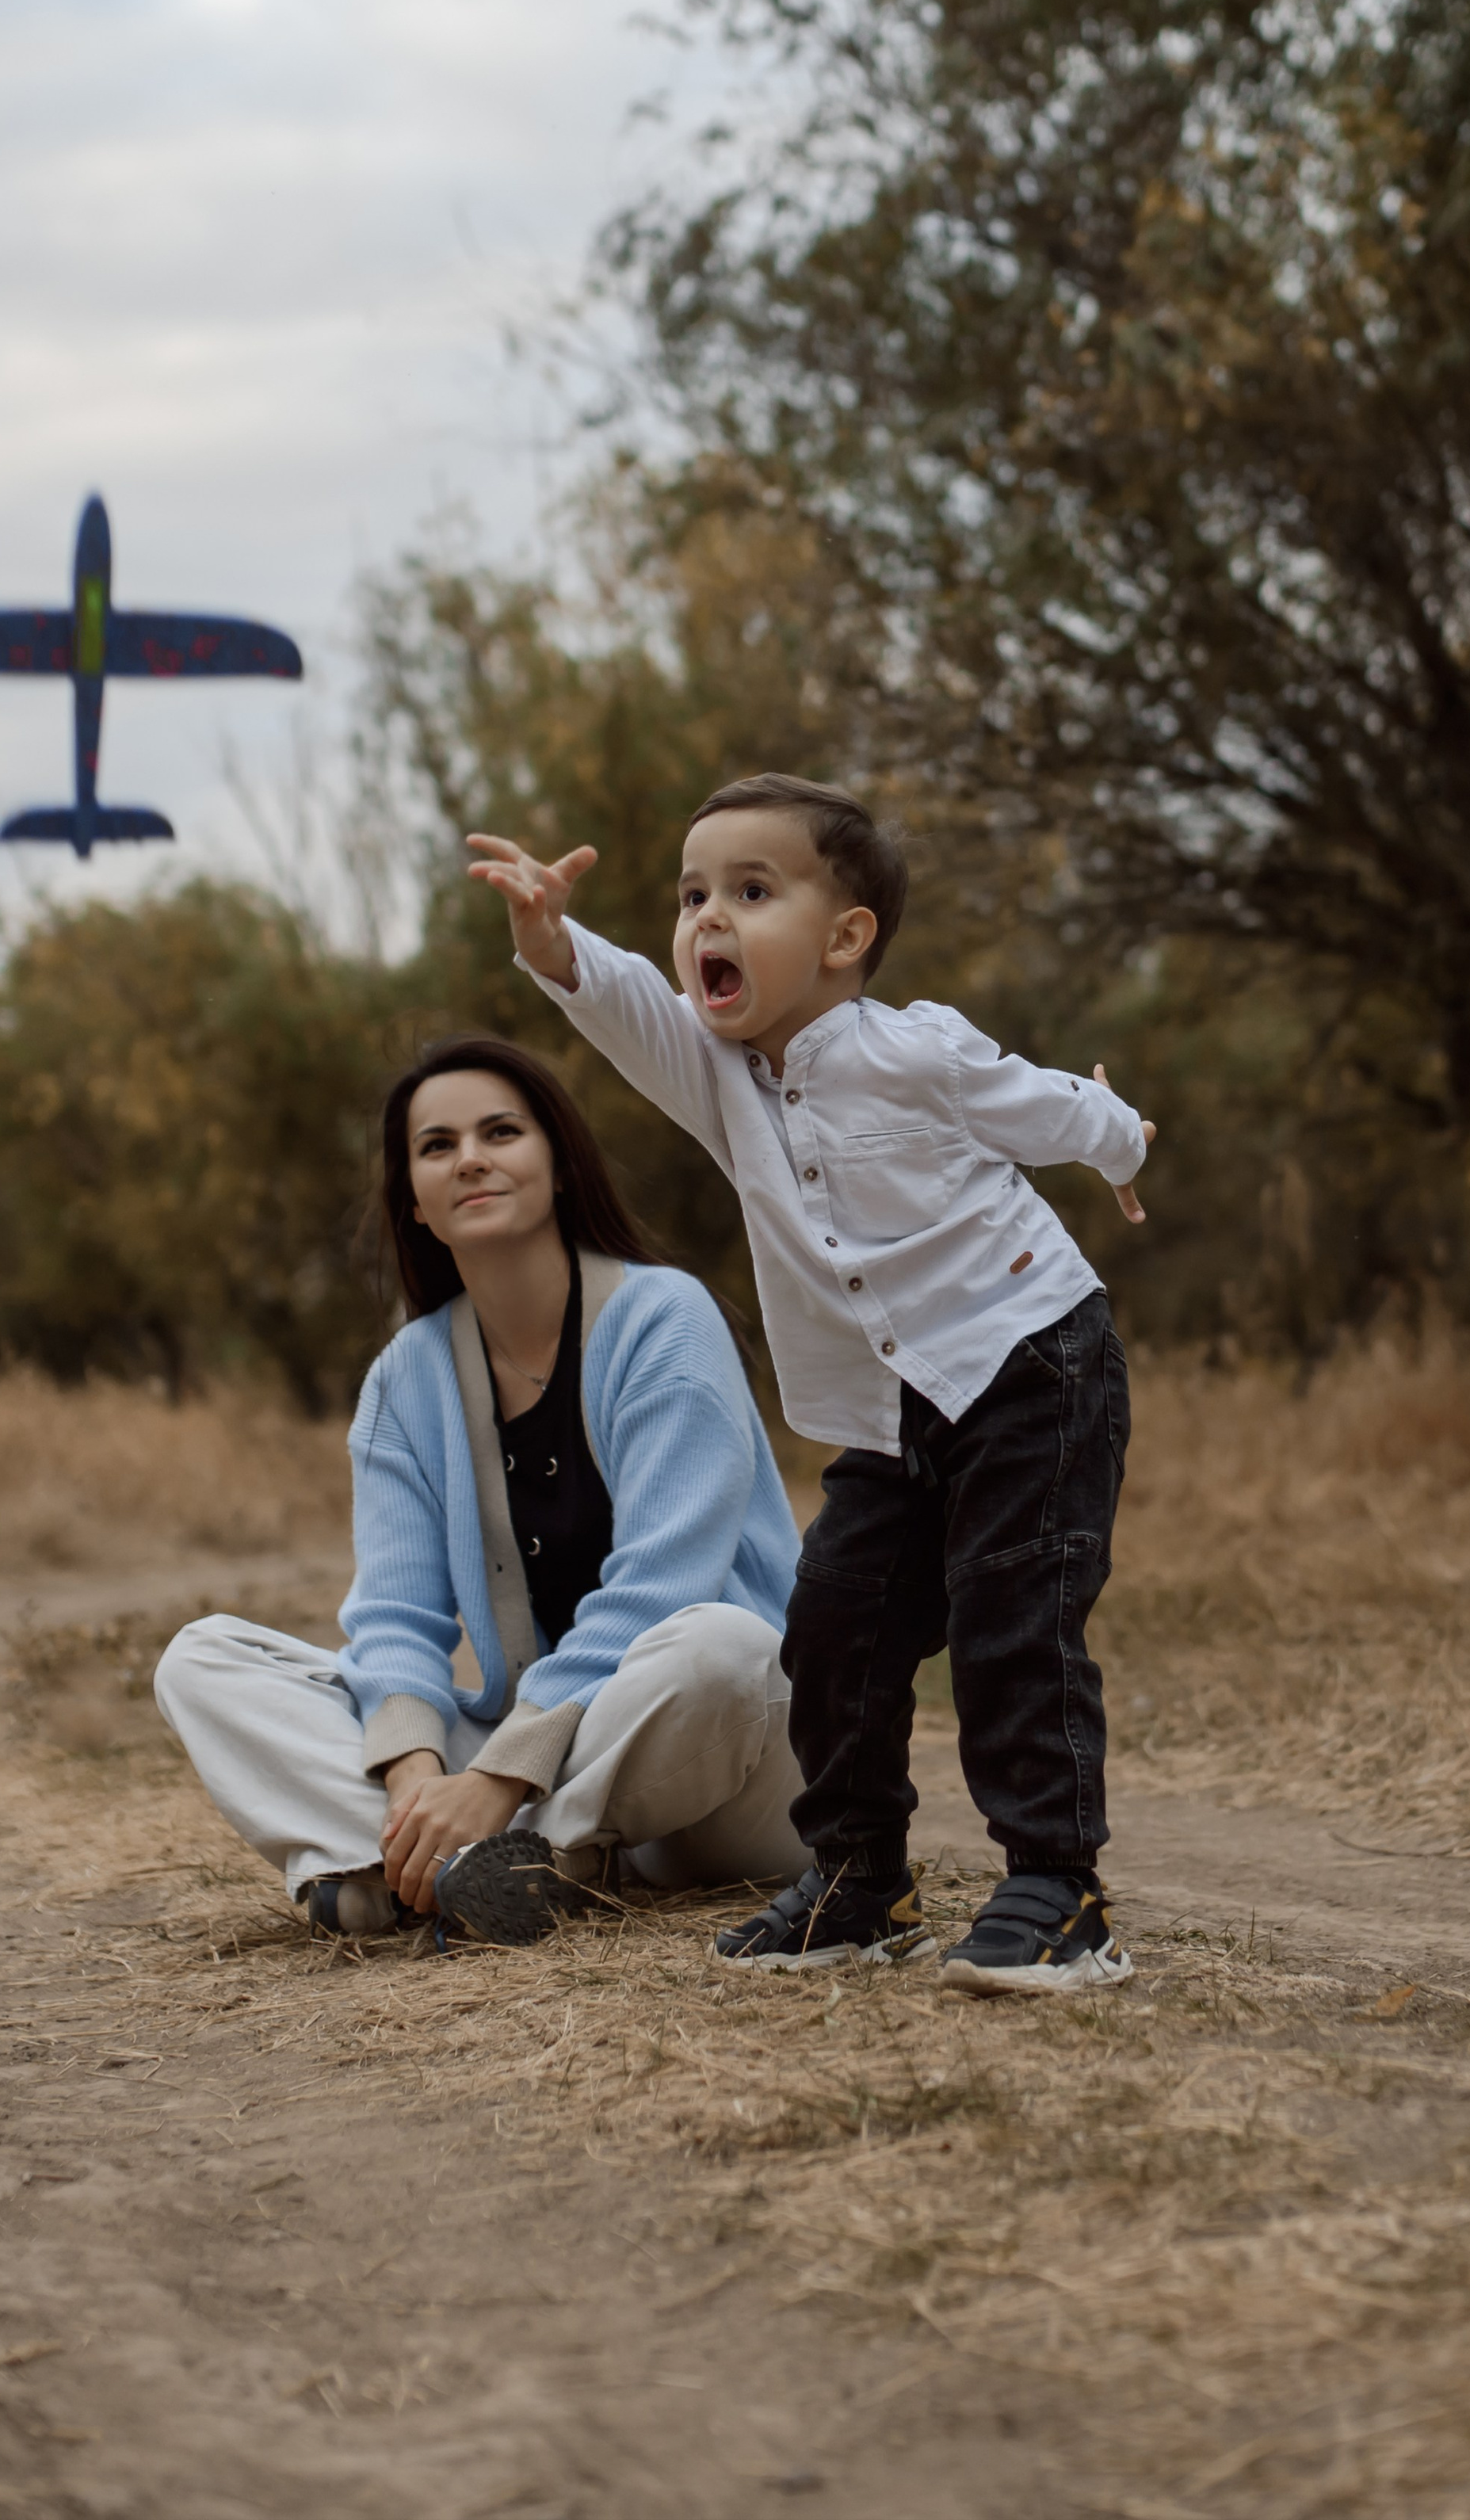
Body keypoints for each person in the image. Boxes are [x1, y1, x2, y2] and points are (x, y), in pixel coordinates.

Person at [467, 775, 1156, 1995]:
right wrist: (549, 938)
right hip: (892, 1420)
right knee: (831, 1630)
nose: (705, 922)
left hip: (1031, 1365)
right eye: (691, 897)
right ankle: (859, 1882)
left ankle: (1058, 1892)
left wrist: (1120, 1139)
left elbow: (1048, 1107)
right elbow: (625, 1003)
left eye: (750, 891)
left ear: (846, 939)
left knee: (1013, 1623)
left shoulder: (915, 1050)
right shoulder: (719, 1080)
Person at [154, 1036, 807, 1949]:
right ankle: (488, 1866)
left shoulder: (665, 1322)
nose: (470, 1157)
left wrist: (496, 1781)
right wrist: (416, 1774)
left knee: (721, 1646)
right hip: (559, 1762)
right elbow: (393, 1618)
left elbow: (667, 1585)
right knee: (204, 1659)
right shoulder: (403, 1380)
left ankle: (426, 1870)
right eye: (436, 1145)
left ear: (559, 1166)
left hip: (732, 1756)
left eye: (501, 1131)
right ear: (414, 1203)